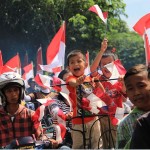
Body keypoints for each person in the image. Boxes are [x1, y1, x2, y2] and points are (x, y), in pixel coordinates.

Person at [90, 38, 127, 149]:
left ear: (115, 65)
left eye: (109, 64)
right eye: (103, 64)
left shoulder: (119, 79)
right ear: (100, 66)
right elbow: (92, 69)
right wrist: (101, 51)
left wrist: (124, 83)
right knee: (104, 143)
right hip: (102, 115)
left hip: (118, 114)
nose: (106, 67)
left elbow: (125, 98)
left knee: (117, 141)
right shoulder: (98, 78)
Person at [66, 50, 103, 149]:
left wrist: (102, 50)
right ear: (69, 67)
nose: (75, 64)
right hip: (78, 120)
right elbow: (72, 83)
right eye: (72, 62)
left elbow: (102, 92)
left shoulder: (90, 78)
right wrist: (77, 82)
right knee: (79, 146)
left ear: (85, 65)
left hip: (93, 118)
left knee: (97, 144)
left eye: (79, 61)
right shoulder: (70, 78)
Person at [0, 72, 45, 148]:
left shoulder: (31, 114)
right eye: (9, 91)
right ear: (2, 94)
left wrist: (45, 139)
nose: (13, 94)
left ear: (21, 92)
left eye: (15, 90)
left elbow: (40, 136)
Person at [116, 64, 150, 149]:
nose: (136, 92)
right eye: (130, 88)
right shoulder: (124, 124)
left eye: (141, 86)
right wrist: (139, 133)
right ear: (126, 92)